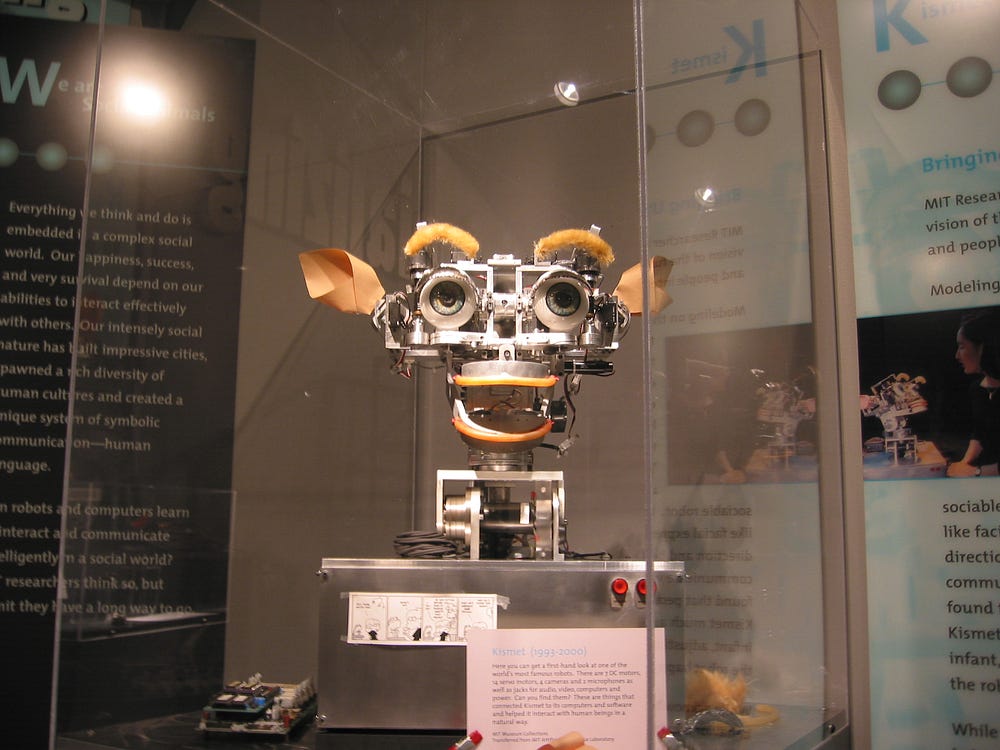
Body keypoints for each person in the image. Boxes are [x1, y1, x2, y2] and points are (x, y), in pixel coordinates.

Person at [947, 308, 1000, 477]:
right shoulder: (977, 389)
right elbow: (979, 433)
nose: (957, 355)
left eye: (962, 346)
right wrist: (964, 463)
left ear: (983, 348)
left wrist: (975, 472)